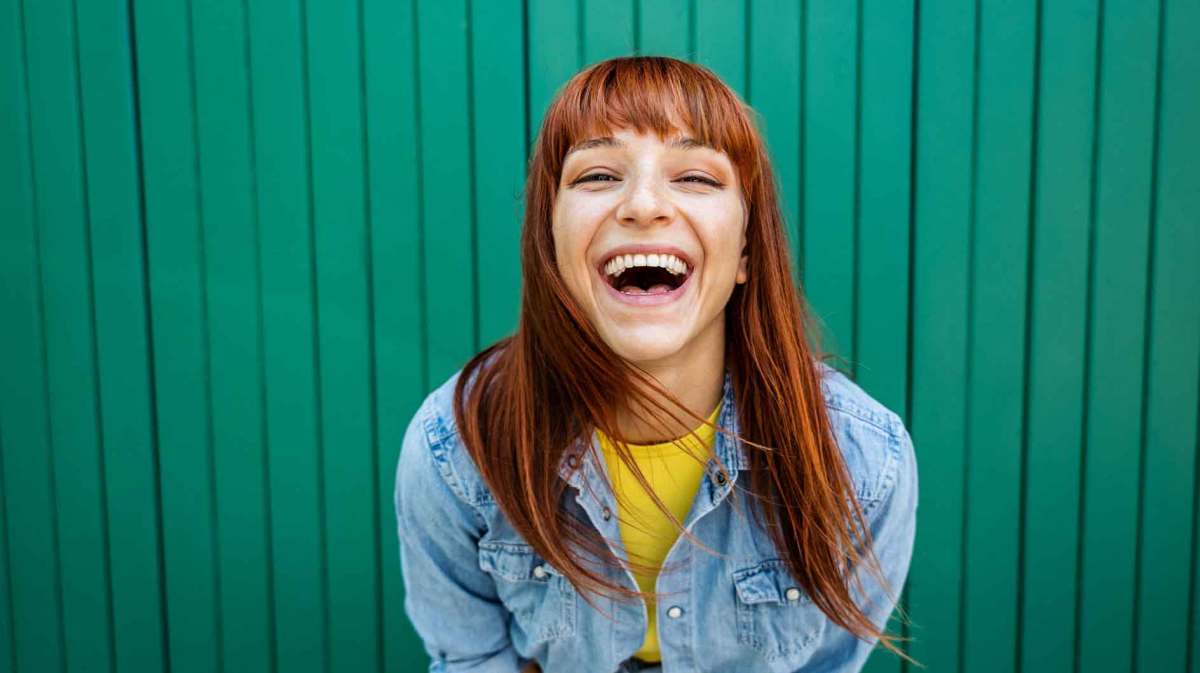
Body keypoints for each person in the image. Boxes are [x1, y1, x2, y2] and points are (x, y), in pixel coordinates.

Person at [394, 55, 919, 673]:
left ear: (746, 248)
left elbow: (826, 666)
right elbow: (470, 657)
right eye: (596, 176)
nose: (643, 205)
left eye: (695, 176)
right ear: (550, 242)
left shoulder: (863, 460)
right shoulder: (455, 448)